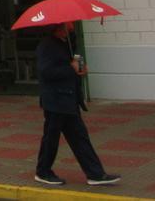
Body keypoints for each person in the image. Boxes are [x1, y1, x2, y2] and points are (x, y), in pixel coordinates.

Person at [34, 21, 120, 187]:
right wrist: (71, 69)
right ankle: (43, 171)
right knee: (51, 138)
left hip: (68, 100)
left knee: (79, 137)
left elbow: (67, 66)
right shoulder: (47, 46)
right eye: (68, 25)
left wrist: (78, 69)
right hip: (56, 101)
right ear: (58, 27)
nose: (71, 27)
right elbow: (46, 72)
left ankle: (95, 174)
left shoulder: (65, 44)